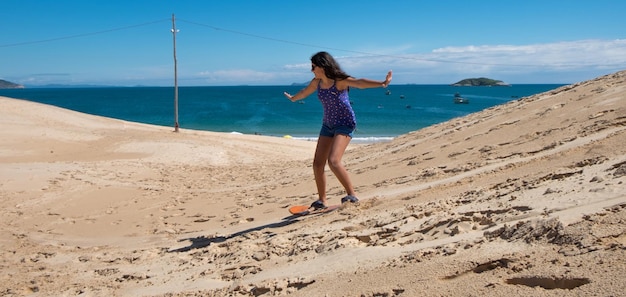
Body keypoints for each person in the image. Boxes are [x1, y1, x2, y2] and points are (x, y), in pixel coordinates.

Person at [283, 51, 392, 210]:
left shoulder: (339, 81)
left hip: (345, 123)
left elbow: (360, 83)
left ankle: (352, 195)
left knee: (333, 161)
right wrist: (293, 98)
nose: (312, 70)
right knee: (317, 164)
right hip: (328, 124)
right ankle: (322, 200)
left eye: (313, 66)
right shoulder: (317, 82)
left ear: (322, 66)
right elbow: (304, 93)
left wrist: (382, 83)